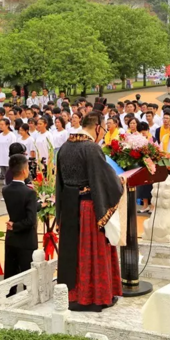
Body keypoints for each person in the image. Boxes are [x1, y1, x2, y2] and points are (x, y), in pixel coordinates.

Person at [55, 111, 124, 312]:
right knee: (91, 251)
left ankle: (72, 295)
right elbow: (105, 180)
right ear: (97, 127)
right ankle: (93, 297)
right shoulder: (91, 148)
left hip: (69, 206)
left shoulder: (64, 147)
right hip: (88, 207)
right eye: (103, 130)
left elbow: (60, 182)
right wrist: (120, 182)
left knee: (72, 252)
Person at [3, 154, 40, 297]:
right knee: (28, 277)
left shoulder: (6, 190)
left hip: (12, 238)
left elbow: (20, 207)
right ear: (25, 171)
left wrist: (38, 205)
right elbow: (30, 220)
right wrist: (16, 226)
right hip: (26, 239)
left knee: (11, 274)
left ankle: (8, 299)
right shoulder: (29, 193)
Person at [0, 119, 17, 183]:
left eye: (2, 124)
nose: (0, 126)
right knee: (5, 176)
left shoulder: (11, 135)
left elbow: (13, 148)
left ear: (7, 125)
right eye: (0, 124)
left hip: (8, 159)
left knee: (10, 176)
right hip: (1, 159)